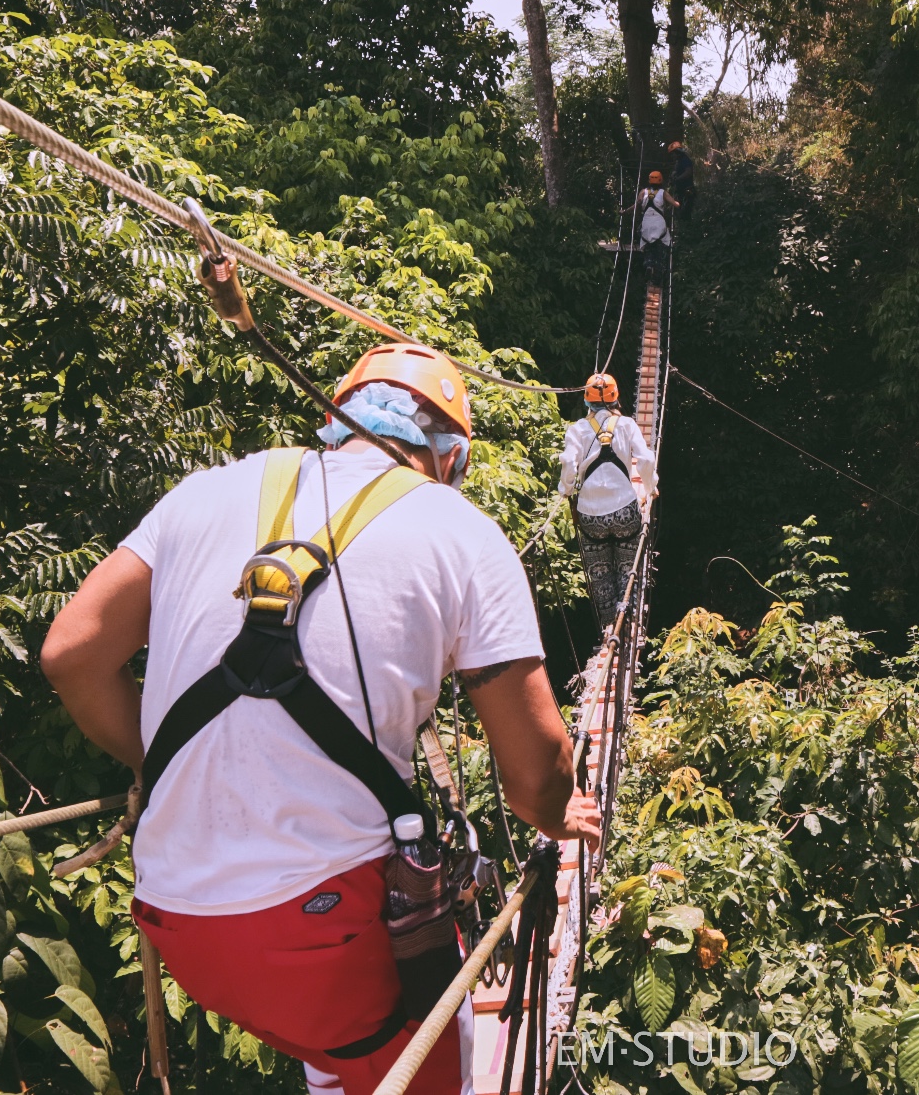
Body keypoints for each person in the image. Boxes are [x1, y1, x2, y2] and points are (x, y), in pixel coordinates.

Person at [41, 343, 601, 1095]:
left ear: (334, 419)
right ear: (454, 456)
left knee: (334, 1033)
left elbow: (71, 654)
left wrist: (156, 765)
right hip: (323, 931)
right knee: (423, 1032)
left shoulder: (203, 492)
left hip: (178, 921)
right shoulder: (461, 530)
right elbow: (535, 781)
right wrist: (565, 815)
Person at [558, 373, 655, 630]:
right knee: (628, 567)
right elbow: (646, 460)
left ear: (587, 402)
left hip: (590, 515)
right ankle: (629, 623)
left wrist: (566, 489)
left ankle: (609, 627)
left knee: (600, 575)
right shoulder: (626, 425)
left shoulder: (577, 429)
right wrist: (650, 488)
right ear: (615, 398)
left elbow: (568, 462)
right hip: (625, 510)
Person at [637, 170, 672, 282]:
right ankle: (658, 270)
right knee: (661, 244)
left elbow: (636, 205)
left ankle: (648, 265)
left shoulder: (643, 192)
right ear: (661, 181)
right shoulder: (663, 193)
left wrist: (624, 211)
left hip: (646, 225)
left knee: (648, 245)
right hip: (659, 225)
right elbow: (675, 204)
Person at [666, 141, 695, 213]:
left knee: (685, 213)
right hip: (680, 191)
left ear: (677, 152)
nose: (672, 156)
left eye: (673, 154)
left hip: (687, 190)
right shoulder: (678, 162)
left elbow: (688, 172)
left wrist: (678, 179)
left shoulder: (685, 160)